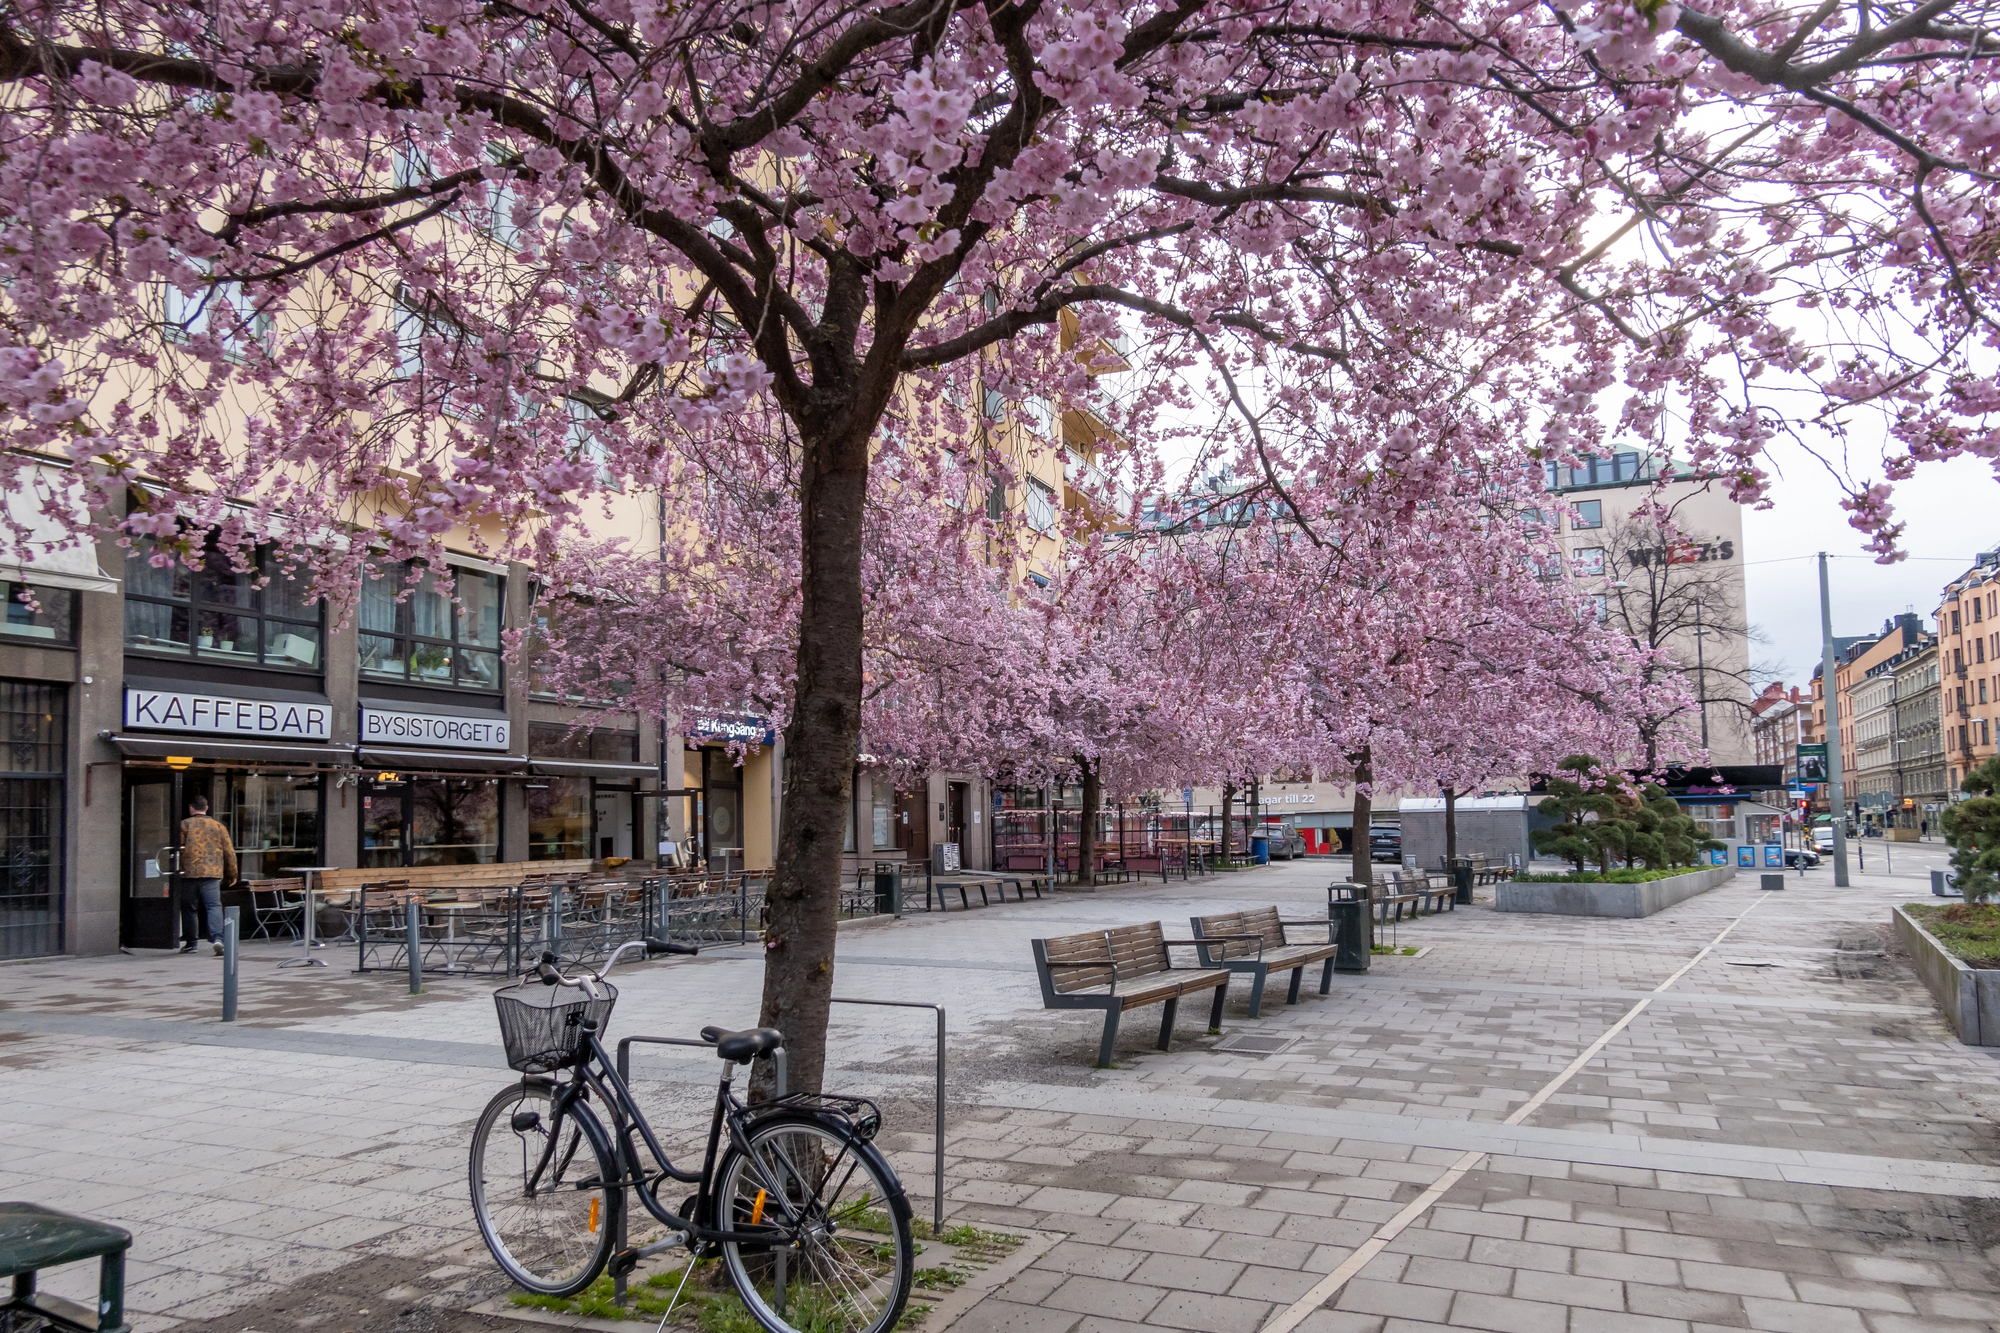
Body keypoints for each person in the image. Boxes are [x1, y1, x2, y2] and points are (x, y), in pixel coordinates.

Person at [178, 794, 237, 956]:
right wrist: (233, 873)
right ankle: (217, 938)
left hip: (189, 873)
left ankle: (191, 943)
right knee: (213, 906)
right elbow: (229, 852)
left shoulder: (184, 825)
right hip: (212, 873)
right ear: (207, 808)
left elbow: (178, 849)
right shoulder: (219, 826)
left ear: (191, 808)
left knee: (189, 908)